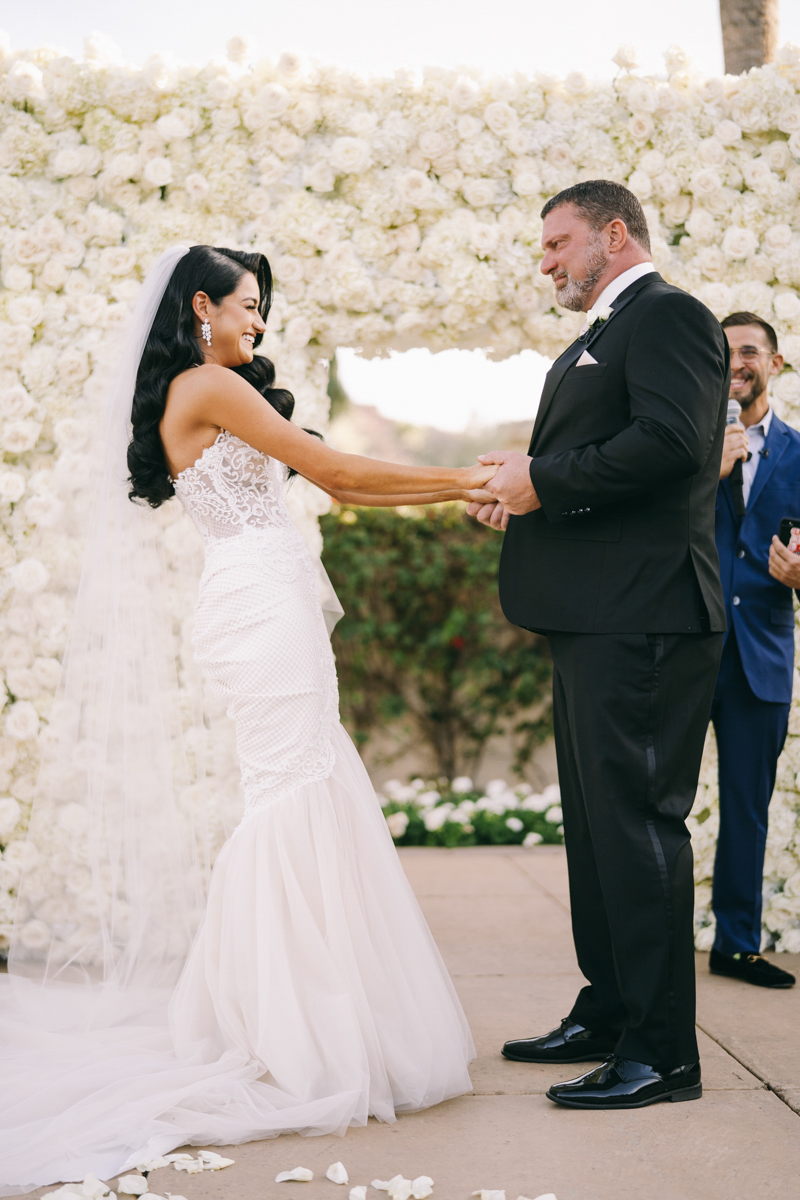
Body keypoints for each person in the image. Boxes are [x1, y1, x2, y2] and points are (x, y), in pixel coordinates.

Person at [0, 245, 495, 1191]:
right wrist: (472, 481)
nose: (258, 321)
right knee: (289, 799)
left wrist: (453, 486)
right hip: (259, 613)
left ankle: (303, 1014)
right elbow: (338, 476)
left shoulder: (216, 387)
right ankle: (288, 1028)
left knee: (301, 790)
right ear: (202, 307)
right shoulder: (208, 385)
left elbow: (326, 478)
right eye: (248, 305)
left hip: (269, 604)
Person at [467, 181, 730, 1109]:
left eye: (558, 242)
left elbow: (671, 442)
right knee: (595, 832)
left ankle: (663, 1055)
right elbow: (595, 472)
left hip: (646, 620)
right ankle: (612, 1008)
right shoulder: (600, 337)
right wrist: (523, 494)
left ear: (614, 235)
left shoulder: (670, 317)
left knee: (636, 831)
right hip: (596, 617)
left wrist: (543, 478)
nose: (545, 260)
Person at [710, 311, 797, 988]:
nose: (736, 361)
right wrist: (707, 467)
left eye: (748, 351)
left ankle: (736, 944)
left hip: (760, 655)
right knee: (659, 802)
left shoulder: (798, 453)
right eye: (724, 351)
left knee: (746, 806)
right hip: (686, 645)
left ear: (772, 362)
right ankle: (645, 947)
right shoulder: (681, 446)